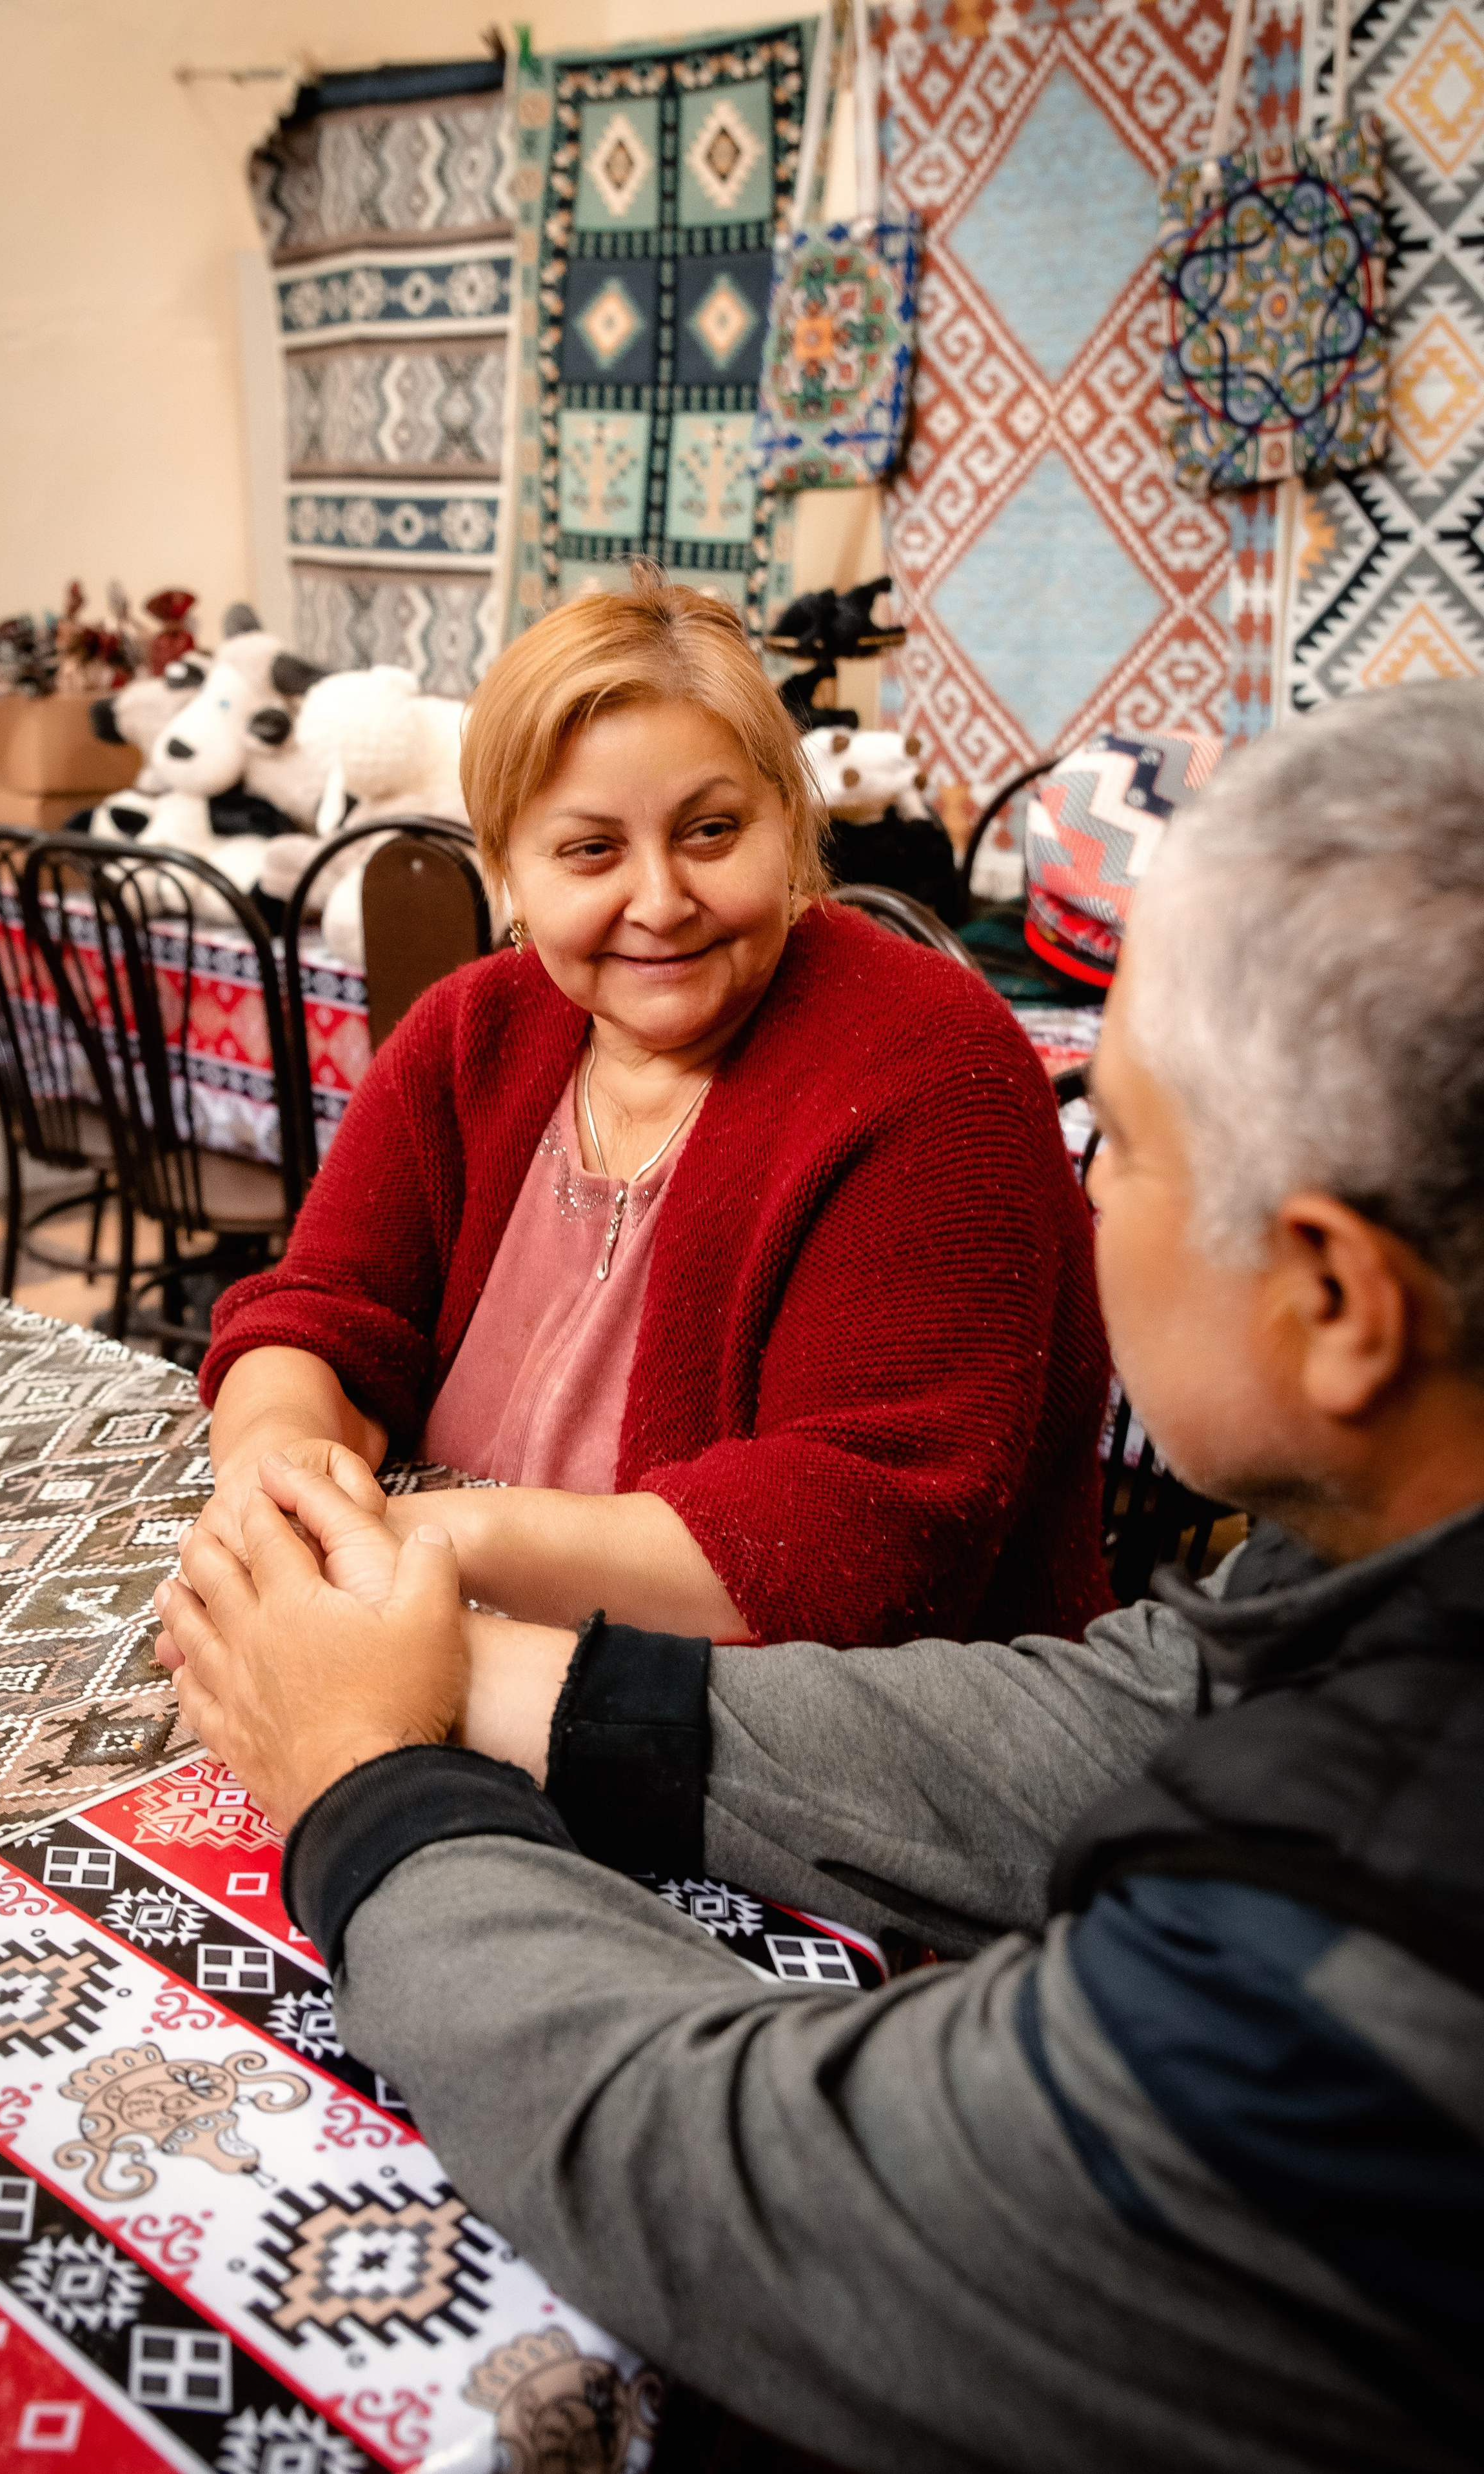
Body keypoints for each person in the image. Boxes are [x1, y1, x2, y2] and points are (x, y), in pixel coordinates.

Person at [158, 679, 1484, 2469]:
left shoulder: (1345, 1951)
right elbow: (1156, 1706)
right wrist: (471, 1679)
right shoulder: (1355, 1588)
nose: (1087, 1197)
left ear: (1330, 1299)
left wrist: (380, 1791)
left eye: (1133, 1146)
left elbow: (764, 2188)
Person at [195, 566, 1111, 1649]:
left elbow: (860, 1546)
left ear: (791, 825)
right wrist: (276, 1467)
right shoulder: (472, 1033)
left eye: (712, 832)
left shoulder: (933, 1070)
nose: (663, 902)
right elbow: (326, 1313)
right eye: (590, 850)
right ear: (508, 873)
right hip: (451, 1641)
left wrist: (431, 1543)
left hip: (820, 1751)